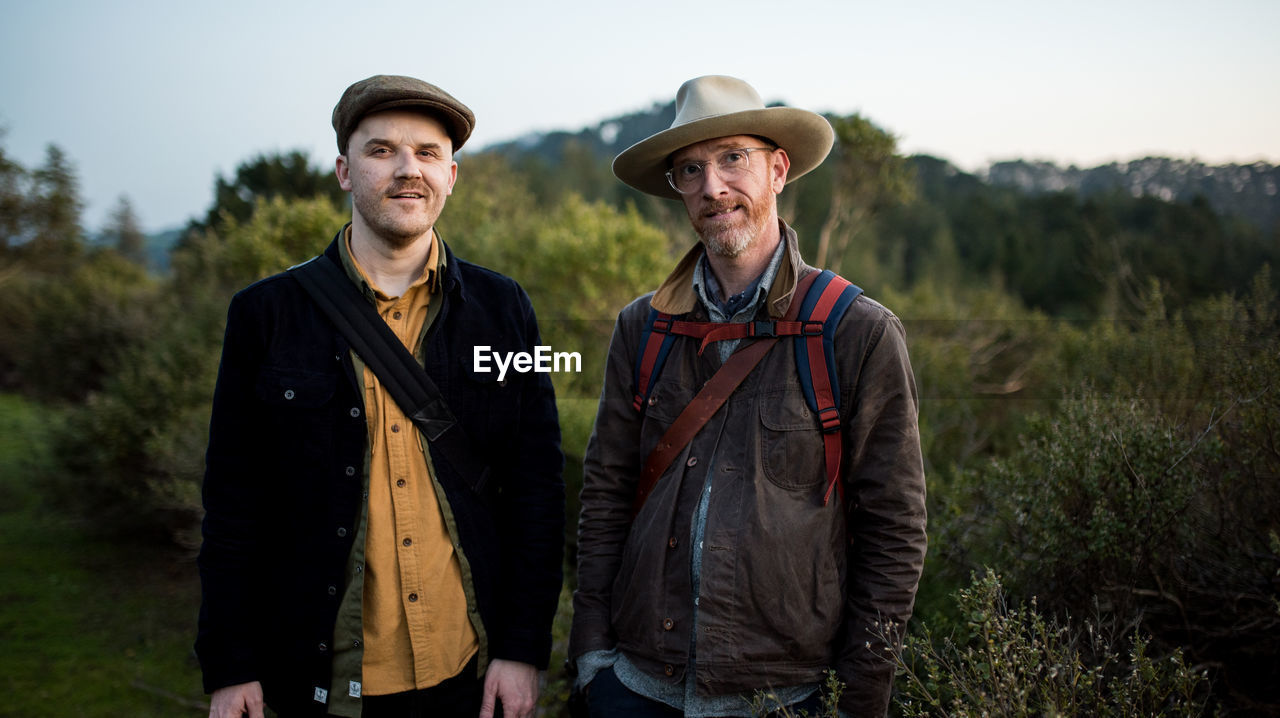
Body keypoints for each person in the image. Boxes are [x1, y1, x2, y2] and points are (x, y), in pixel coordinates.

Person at [196, 75, 565, 718]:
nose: (407, 170)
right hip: (318, 679)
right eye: (380, 151)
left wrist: (522, 648)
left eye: (427, 153)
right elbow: (233, 501)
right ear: (344, 170)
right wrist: (231, 665)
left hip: (467, 670)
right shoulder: (264, 314)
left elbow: (535, 486)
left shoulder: (504, 310)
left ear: (453, 175)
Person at [569, 75, 927, 717]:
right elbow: (605, 493)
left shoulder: (857, 332)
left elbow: (894, 531)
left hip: (787, 695)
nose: (713, 186)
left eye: (734, 157)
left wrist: (858, 698)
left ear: (779, 169)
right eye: (690, 170)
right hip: (637, 686)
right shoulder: (640, 329)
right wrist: (593, 658)